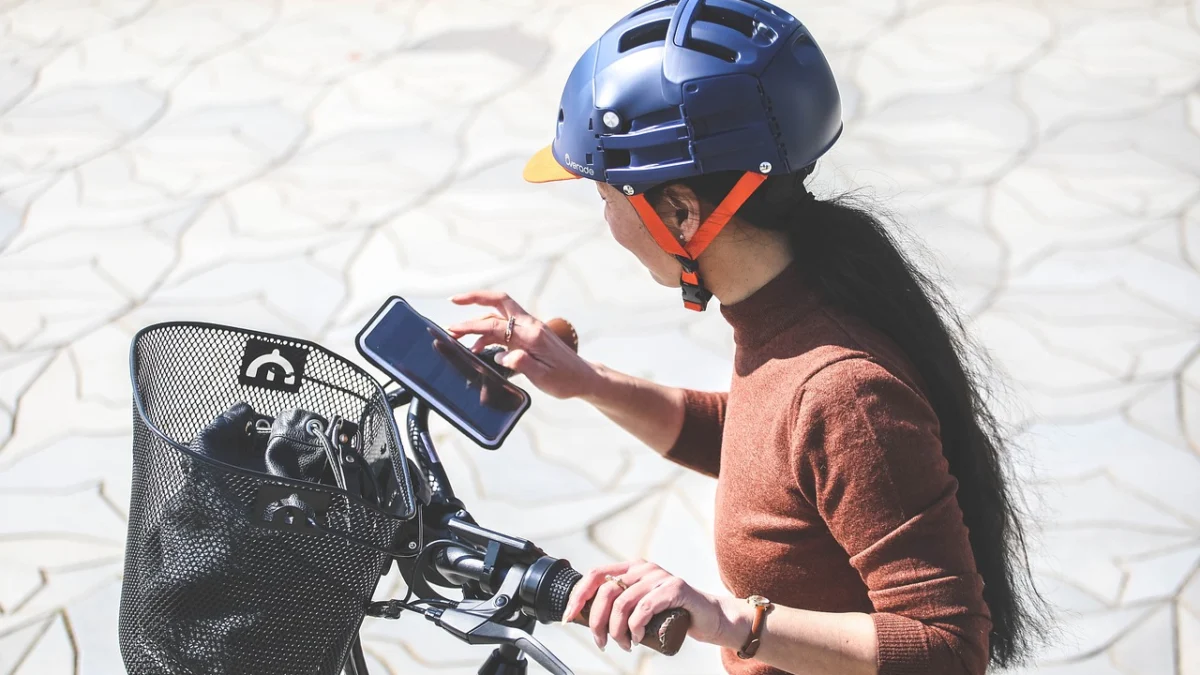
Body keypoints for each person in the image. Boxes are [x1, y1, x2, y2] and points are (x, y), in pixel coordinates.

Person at [447, 1, 1045, 673]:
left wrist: (729, 618)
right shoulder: (789, 308)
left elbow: (949, 648)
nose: (606, 220)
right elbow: (767, 449)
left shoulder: (847, 392)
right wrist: (589, 383)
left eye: (608, 198)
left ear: (680, 210)